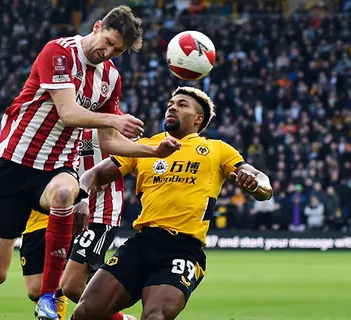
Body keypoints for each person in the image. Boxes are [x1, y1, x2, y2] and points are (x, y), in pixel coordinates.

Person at [0, 6, 180, 320]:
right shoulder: (58, 53)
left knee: (66, 194)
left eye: (117, 51)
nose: (107, 52)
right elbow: (68, 113)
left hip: (56, 169)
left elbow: (108, 142)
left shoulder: (110, 77)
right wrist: (113, 119)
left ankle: (47, 298)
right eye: (107, 42)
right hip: (13, 167)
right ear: (97, 26)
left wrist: (154, 152)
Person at [71, 87, 273, 319]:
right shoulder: (146, 147)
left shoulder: (217, 150)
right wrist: (82, 196)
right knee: (85, 313)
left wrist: (256, 184)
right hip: (142, 243)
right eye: (171, 103)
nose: (172, 107)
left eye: (182, 104)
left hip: (183, 249)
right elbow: (92, 176)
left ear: (198, 119)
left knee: (155, 316)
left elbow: (263, 184)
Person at [20, 128, 134, 320]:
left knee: (71, 285)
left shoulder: (110, 121)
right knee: (39, 288)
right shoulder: (61, 126)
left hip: (100, 212)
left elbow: (132, 157)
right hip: (69, 212)